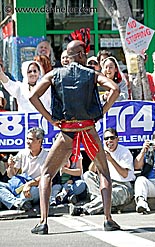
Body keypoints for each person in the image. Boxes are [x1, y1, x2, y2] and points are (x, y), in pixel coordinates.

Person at [29, 39, 120, 234]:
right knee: (104, 172)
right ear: (79, 55)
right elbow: (115, 89)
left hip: (67, 132)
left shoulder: (55, 74)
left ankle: (43, 222)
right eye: (84, 53)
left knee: (46, 173)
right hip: (88, 130)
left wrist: (51, 119)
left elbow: (32, 97)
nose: (86, 56)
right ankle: (107, 219)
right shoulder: (92, 74)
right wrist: (102, 111)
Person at [70, 128, 135, 216]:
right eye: (106, 139)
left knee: (108, 196)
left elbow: (124, 174)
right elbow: (91, 171)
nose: (109, 141)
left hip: (123, 186)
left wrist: (111, 159)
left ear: (117, 139)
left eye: (112, 138)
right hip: (107, 184)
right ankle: (102, 204)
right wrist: (97, 156)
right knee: (87, 175)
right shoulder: (103, 150)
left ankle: (83, 209)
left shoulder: (124, 152)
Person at [0, 127, 48, 210]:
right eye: (27, 139)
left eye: (31, 139)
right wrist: (11, 166)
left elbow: (46, 177)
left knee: (30, 192)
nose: (27, 142)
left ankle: (17, 202)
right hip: (19, 184)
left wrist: (29, 184)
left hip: (35, 186)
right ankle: (17, 203)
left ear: (39, 141)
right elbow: (11, 175)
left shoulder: (47, 156)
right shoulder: (23, 153)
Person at [134, 129, 155, 214]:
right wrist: (143, 151)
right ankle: (141, 204)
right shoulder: (150, 152)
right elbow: (136, 166)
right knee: (140, 179)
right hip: (151, 185)